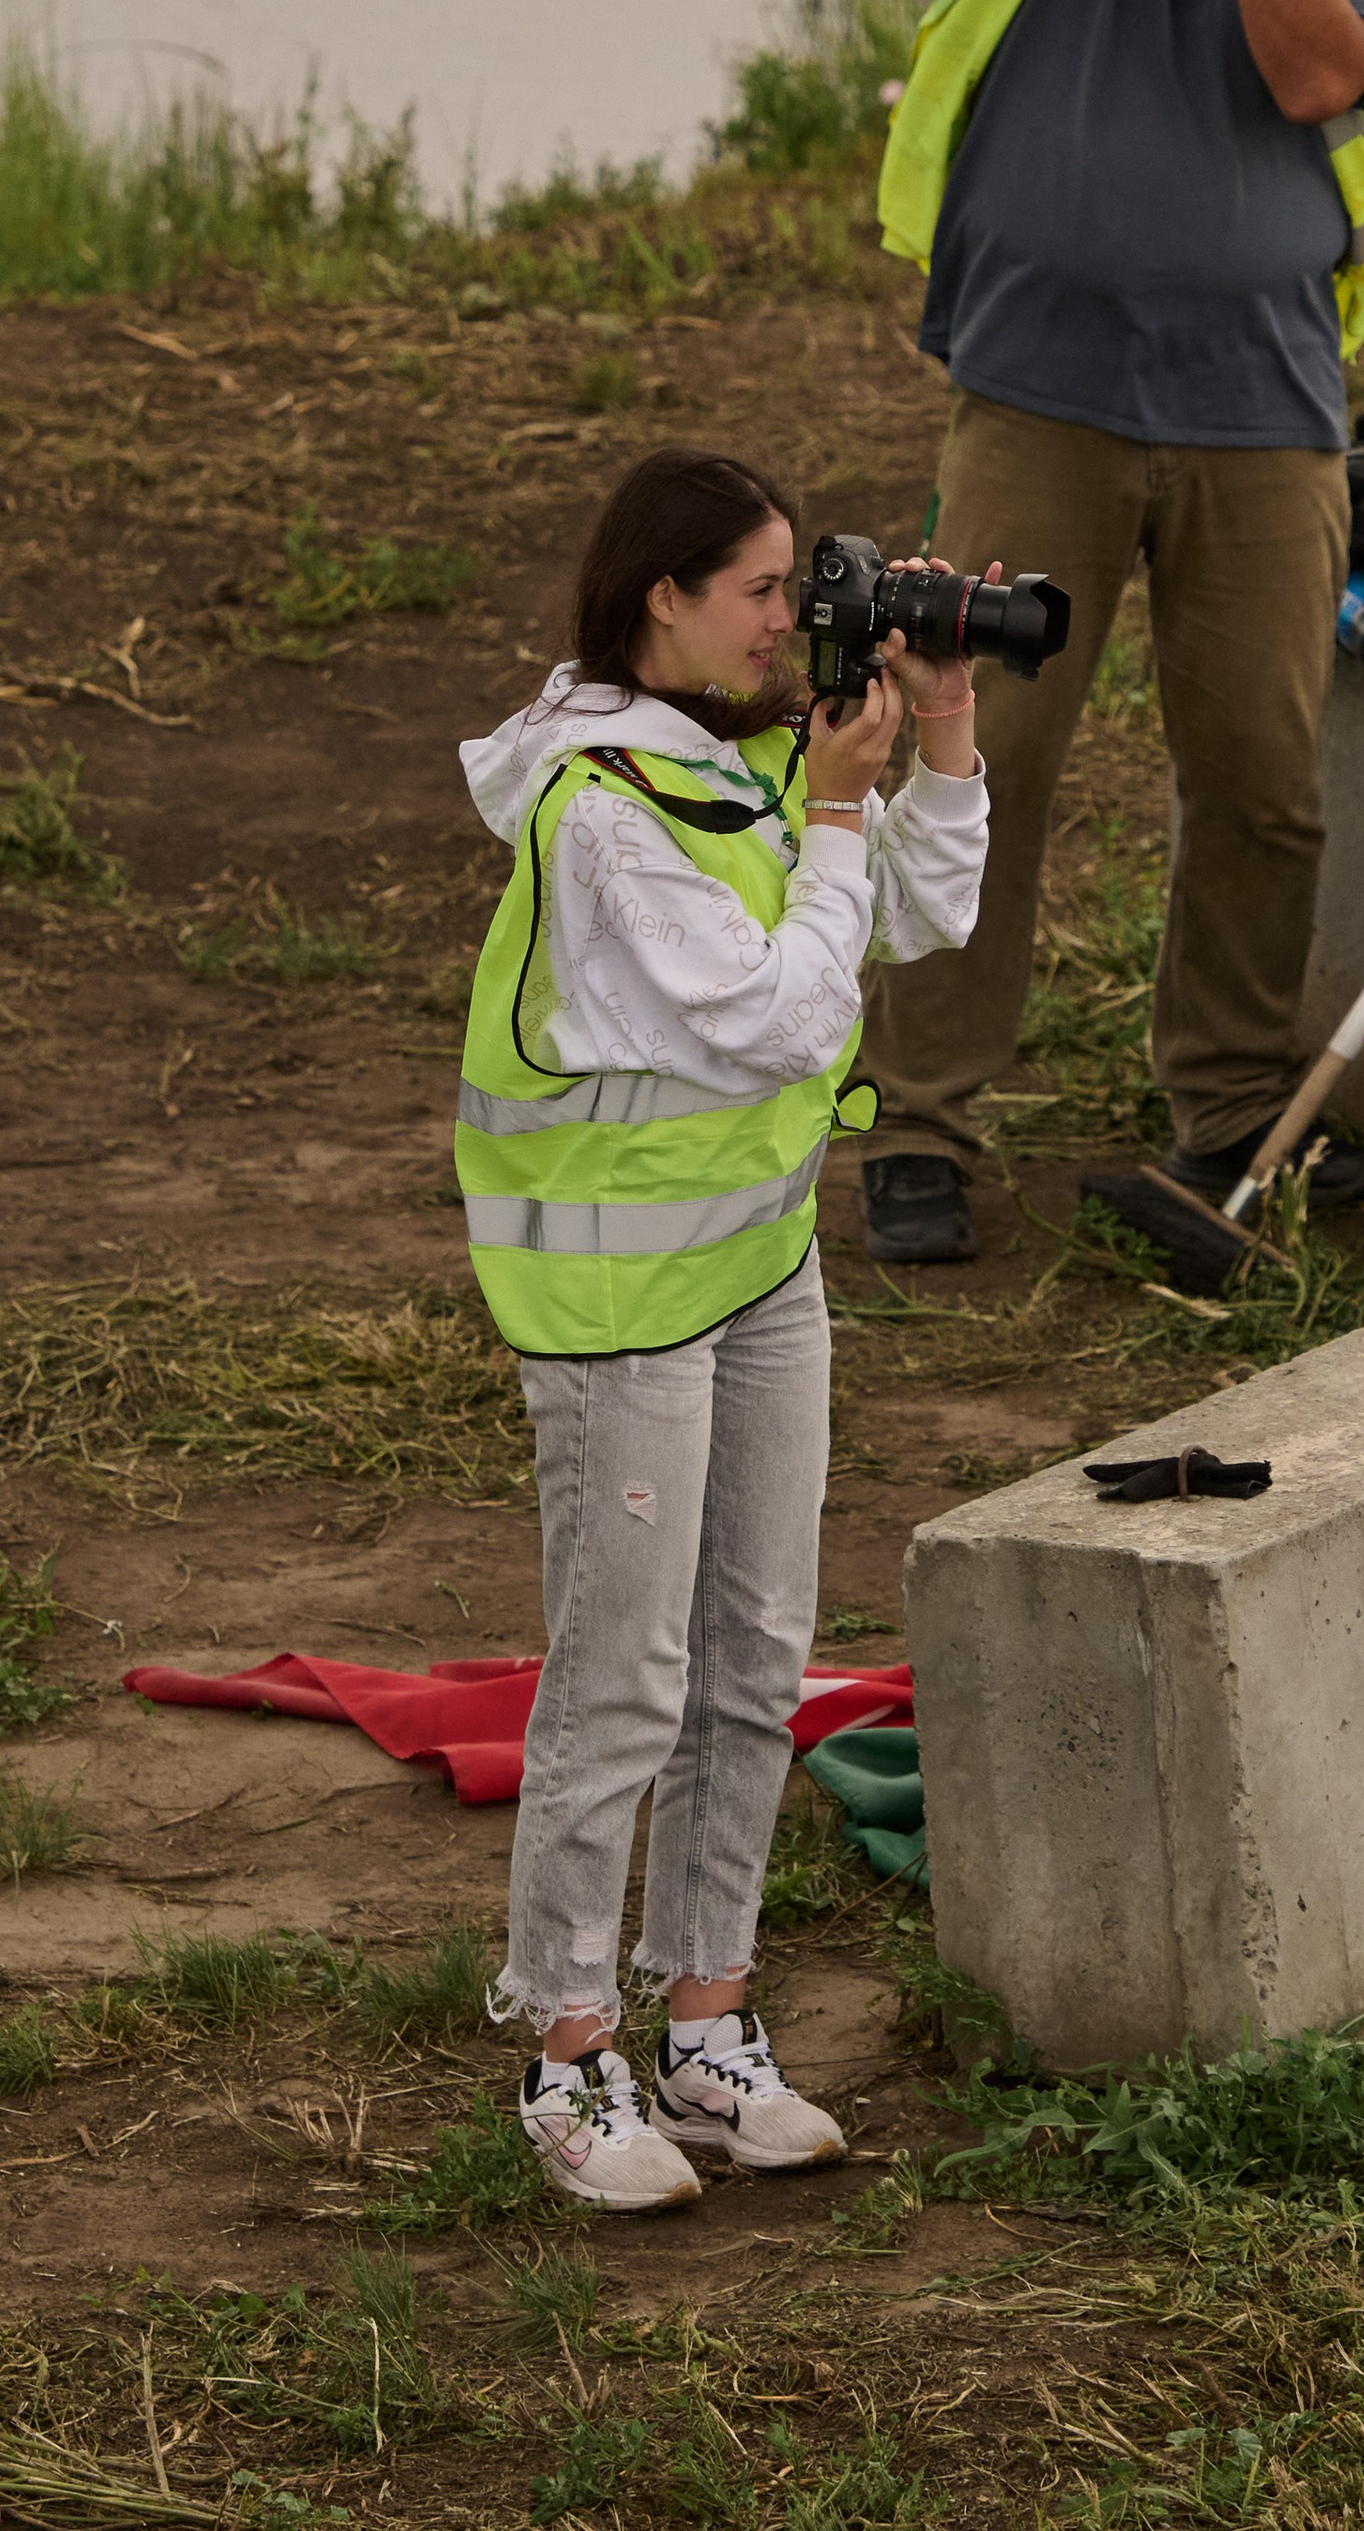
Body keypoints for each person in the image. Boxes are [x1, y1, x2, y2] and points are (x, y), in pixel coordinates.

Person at [855, 0, 1364, 1275]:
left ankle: (1234, 1108)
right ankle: (922, 1121)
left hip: (1265, 408)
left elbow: (1317, 78)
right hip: (1041, 395)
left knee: (1261, 774)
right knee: (979, 757)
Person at [454, 447, 988, 2212]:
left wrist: (943, 729)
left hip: (756, 1266)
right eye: (759, 588)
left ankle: (708, 2026)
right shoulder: (605, 808)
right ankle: (564, 2055)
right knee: (624, 1679)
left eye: (793, 582)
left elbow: (926, 913)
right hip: (617, 1297)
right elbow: (774, 1019)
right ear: (660, 600)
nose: (788, 617)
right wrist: (833, 813)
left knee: (755, 1657)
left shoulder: (747, 752)